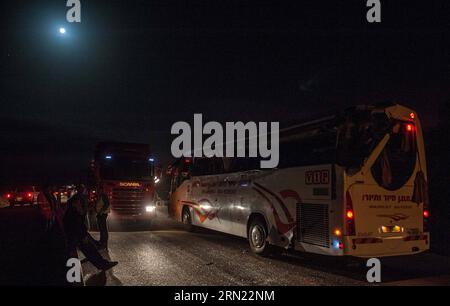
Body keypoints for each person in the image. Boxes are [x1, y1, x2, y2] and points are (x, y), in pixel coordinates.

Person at [64, 184, 118, 271]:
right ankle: (101, 264)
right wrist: (83, 235)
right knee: (88, 249)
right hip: (76, 234)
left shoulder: (73, 209)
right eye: (80, 205)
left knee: (89, 249)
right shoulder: (74, 213)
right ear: (75, 204)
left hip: (76, 233)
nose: (82, 208)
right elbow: (77, 225)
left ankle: (102, 263)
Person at [95, 186, 110, 250]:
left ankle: (104, 243)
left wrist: (101, 211)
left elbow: (107, 204)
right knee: (101, 229)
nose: (97, 191)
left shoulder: (104, 196)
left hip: (103, 214)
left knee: (103, 229)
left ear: (101, 190)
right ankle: (102, 242)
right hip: (100, 214)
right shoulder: (100, 196)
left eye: (99, 190)